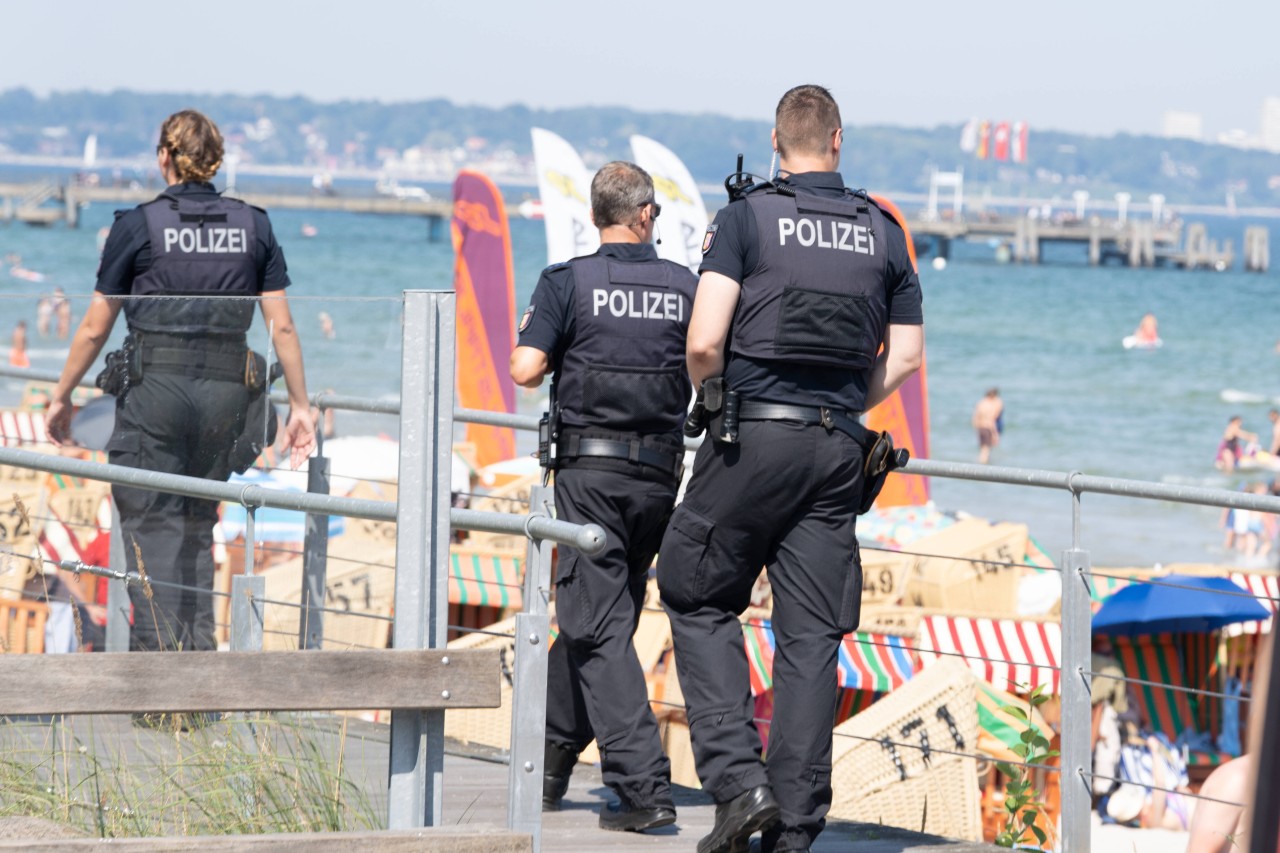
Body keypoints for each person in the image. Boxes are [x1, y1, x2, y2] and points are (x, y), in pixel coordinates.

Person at [655, 85, 924, 853]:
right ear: (837, 140)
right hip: (839, 450)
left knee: (695, 589)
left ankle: (741, 787)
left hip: (752, 442)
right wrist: (844, 404)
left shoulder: (746, 218)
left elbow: (706, 339)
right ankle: (798, 827)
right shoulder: (883, 230)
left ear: (776, 142)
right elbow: (905, 356)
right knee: (811, 636)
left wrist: (717, 394)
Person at [45, 109, 315, 656]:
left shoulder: (137, 226)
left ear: (164, 157)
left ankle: (160, 690)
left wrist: (61, 394)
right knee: (197, 529)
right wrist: (302, 407)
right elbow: (281, 323)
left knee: (152, 533)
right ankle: (197, 678)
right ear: (215, 159)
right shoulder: (254, 225)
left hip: (156, 399)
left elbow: (97, 325)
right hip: (226, 402)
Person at [509, 161, 695, 833]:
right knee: (604, 614)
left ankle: (643, 788)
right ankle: (551, 763)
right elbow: (710, 359)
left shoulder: (568, 283)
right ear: (646, 215)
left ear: (596, 216)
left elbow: (524, 369)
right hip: (658, 480)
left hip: (589, 476)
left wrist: (555, 335)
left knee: (597, 622)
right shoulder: (685, 286)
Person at [973, 387, 1003, 464]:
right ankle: (982, 467)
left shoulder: (981, 403)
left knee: (982, 448)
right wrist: (995, 434)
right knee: (986, 450)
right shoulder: (991, 405)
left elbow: (975, 419)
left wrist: (977, 428)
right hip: (988, 428)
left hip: (980, 428)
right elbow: (991, 420)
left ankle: (981, 464)